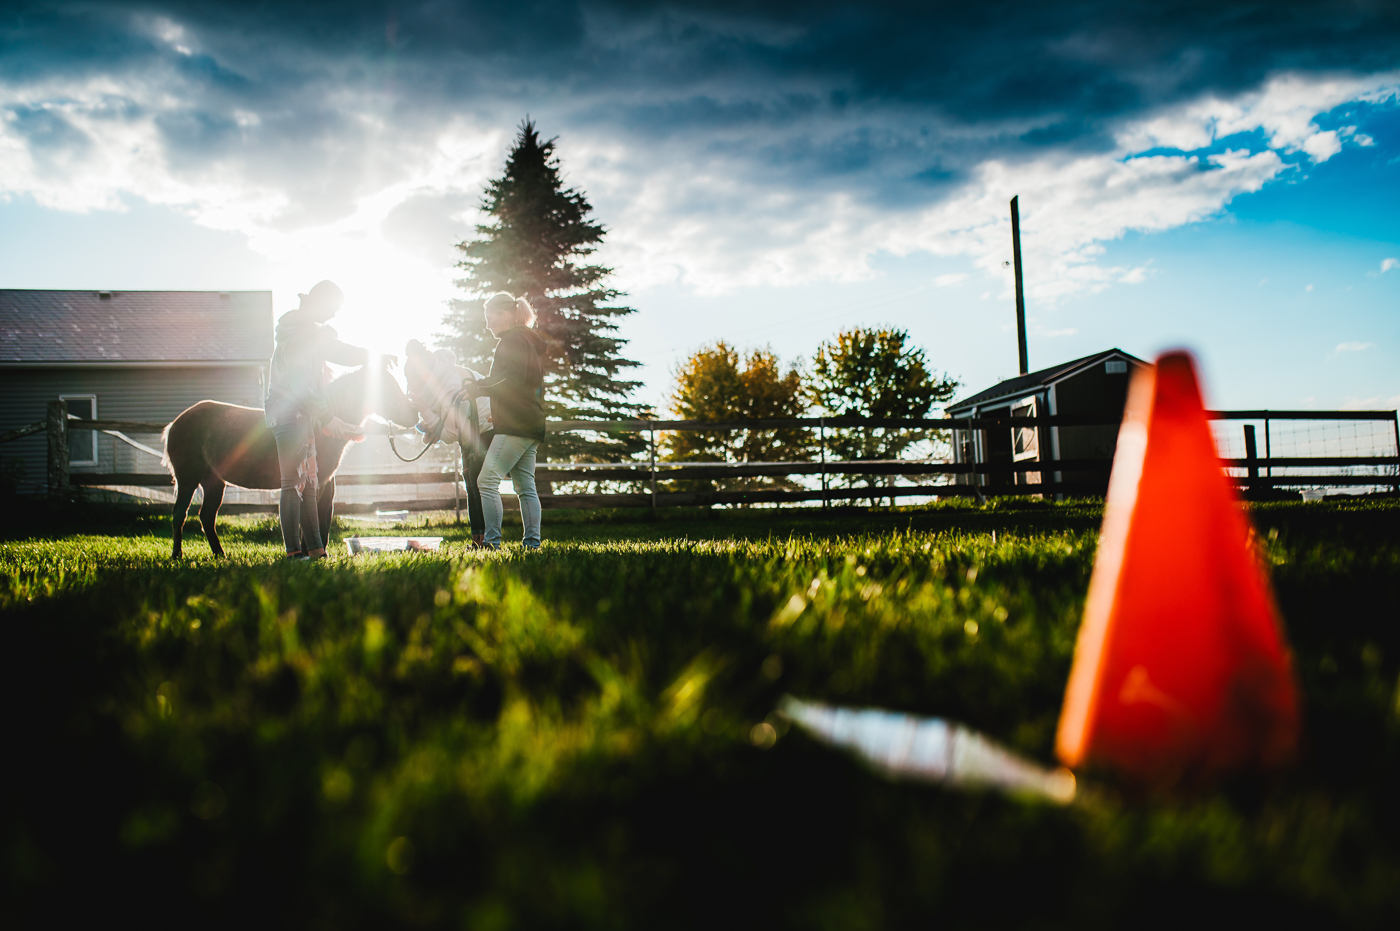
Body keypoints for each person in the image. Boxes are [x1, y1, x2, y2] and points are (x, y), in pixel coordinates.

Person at [264, 280, 373, 560]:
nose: (334, 315)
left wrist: (371, 356)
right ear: (320, 303)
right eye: (333, 309)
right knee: (293, 482)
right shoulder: (302, 332)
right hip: (289, 414)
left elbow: (337, 350)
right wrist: (327, 416)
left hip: (303, 415)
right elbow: (299, 381)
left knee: (310, 481)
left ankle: (316, 550)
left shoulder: (307, 330)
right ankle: (293, 551)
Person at [474, 291, 546, 549]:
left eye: (490, 316)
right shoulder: (527, 340)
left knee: (486, 480)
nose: (488, 323)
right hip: (531, 423)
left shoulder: (512, 340)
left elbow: (509, 379)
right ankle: (532, 544)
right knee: (525, 485)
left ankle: (491, 543)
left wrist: (477, 387)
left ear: (505, 314)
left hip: (516, 425)